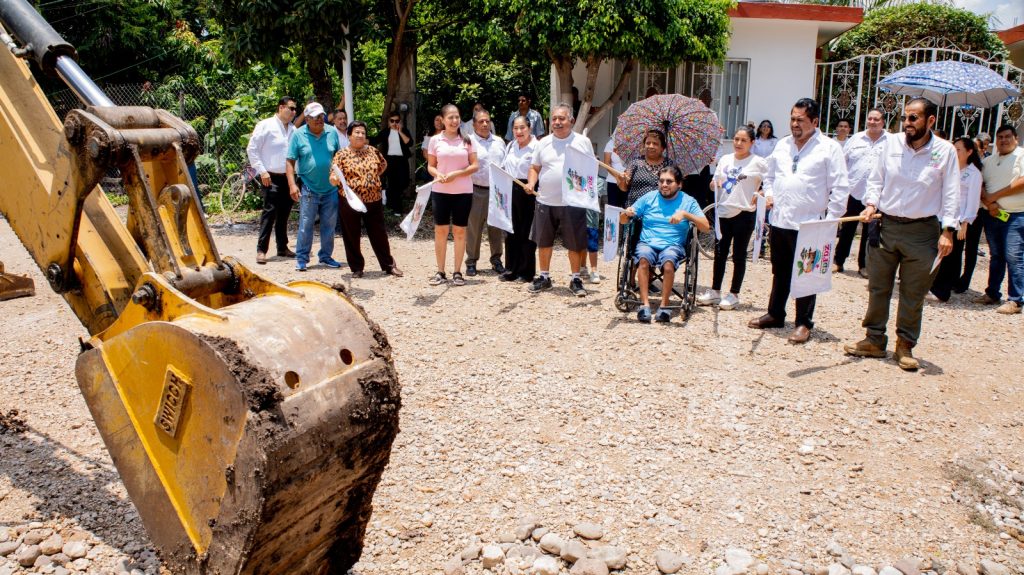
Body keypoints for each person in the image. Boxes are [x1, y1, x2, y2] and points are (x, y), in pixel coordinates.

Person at [844, 97, 960, 370]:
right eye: (905, 117)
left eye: (913, 118)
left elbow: (952, 192)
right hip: (886, 226)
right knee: (878, 286)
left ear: (930, 120)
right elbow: (876, 179)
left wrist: (948, 230)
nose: (907, 123)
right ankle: (874, 339)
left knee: (913, 291)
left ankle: (905, 345)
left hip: (923, 231)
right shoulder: (892, 144)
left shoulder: (945, 151)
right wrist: (871, 204)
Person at [748, 98, 849, 344]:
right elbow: (770, 176)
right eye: (792, 119)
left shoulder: (829, 148)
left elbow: (840, 187)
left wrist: (831, 221)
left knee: (806, 273)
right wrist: (769, 194)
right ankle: (775, 314)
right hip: (781, 220)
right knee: (780, 270)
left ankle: (803, 322)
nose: (794, 124)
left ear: (814, 121)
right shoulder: (782, 145)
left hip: (810, 224)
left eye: (800, 120)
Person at [621, 166, 709, 322]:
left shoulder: (688, 201)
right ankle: (644, 305)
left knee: (668, 264)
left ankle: (664, 305)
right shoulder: (649, 197)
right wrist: (626, 214)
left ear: (679, 184)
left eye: (669, 181)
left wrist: (685, 214)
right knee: (643, 259)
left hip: (673, 244)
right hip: (648, 242)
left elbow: (706, 227)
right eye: (661, 181)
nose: (664, 185)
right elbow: (623, 220)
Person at [524, 103, 594, 297]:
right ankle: (544, 277)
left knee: (575, 243)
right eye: (554, 118)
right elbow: (534, 168)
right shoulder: (543, 143)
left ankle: (576, 279)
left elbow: (591, 169)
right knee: (543, 241)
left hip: (573, 202)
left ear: (571, 120)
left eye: (561, 118)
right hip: (545, 200)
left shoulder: (582, 142)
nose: (557, 122)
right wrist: (531, 183)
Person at [697, 126, 767, 310]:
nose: (738, 143)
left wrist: (762, 192)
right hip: (723, 211)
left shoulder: (759, 162)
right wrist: (714, 183)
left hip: (745, 212)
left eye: (744, 140)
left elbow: (772, 181)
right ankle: (715, 291)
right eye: (736, 139)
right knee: (720, 253)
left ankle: (734, 293)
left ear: (752, 142)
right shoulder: (725, 159)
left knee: (739, 254)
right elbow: (713, 184)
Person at [330, 121, 403, 279]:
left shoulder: (373, 151)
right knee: (351, 234)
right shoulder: (341, 154)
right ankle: (357, 268)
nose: (360, 135)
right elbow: (333, 175)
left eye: (363, 133)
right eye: (357, 132)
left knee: (379, 234)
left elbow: (383, 165)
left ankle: (389, 265)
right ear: (349, 135)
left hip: (373, 200)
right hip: (350, 201)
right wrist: (335, 179)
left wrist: (371, 180)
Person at [286, 102, 344, 272]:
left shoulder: (332, 132)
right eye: (315, 117)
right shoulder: (298, 135)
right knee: (306, 224)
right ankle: (302, 258)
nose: (319, 119)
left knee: (329, 225)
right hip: (309, 187)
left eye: (321, 116)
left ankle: (325, 256)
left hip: (331, 189)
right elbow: (290, 161)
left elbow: (338, 157)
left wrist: (339, 179)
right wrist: (292, 185)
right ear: (307, 119)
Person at [427, 104, 479, 286]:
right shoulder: (435, 140)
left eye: (457, 117)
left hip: (463, 192)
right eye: (450, 117)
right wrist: (437, 174)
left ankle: (457, 272)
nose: (454, 120)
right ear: (442, 120)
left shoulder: (468, 139)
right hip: (440, 192)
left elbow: (475, 165)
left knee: (460, 231)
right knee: (440, 231)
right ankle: (440, 271)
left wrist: (456, 174)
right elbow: (431, 166)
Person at [974, 124, 1024, 314]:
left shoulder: (1021, 156)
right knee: (996, 256)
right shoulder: (989, 161)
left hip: (1016, 215)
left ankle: (1016, 300)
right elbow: (979, 182)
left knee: (1014, 256)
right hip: (992, 214)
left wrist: (994, 197)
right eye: (1000, 137)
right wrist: (990, 203)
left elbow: (1022, 182)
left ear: (1016, 138)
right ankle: (992, 293)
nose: (1003, 140)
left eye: (1007, 136)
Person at [834, 108, 889, 277]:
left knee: (870, 233)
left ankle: (864, 265)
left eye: (876, 119)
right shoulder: (856, 139)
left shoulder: (891, 141)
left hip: (877, 195)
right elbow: (842, 162)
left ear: (883, 122)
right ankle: (838, 261)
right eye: (870, 119)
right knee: (847, 229)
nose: (872, 122)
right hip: (853, 192)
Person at [928, 136, 982, 302]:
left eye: (958, 149)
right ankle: (931, 285)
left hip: (958, 221)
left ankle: (942, 291)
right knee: (935, 252)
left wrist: (965, 222)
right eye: (954, 148)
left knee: (950, 256)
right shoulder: (948, 168)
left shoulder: (973, 174)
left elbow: (973, 201)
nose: (955, 152)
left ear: (969, 152)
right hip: (940, 215)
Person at [246, 96, 297, 264]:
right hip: (270, 176)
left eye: (295, 109)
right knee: (270, 212)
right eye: (291, 108)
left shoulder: (293, 129)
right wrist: (262, 171)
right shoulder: (265, 125)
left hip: (288, 177)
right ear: (281, 107)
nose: (294, 112)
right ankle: (261, 250)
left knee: (285, 213)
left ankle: (282, 247)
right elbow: (252, 149)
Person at [464, 108, 507, 276]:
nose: (484, 124)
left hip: (496, 191)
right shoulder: (468, 142)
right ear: (474, 124)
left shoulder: (499, 142)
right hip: (475, 190)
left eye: (487, 121)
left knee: (496, 226)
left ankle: (496, 260)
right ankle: (471, 261)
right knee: (474, 227)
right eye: (481, 121)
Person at [499, 115, 539, 283]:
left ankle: (526, 271)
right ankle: (511, 269)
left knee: (526, 231)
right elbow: (503, 167)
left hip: (528, 190)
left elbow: (538, 169)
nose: (519, 131)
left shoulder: (536, 147)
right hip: (509, 189)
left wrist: (531, 184)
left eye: (522, 128)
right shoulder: (511, 146)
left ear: (530, 128)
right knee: (511, 231)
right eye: (515, 128)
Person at [615, 130, 673, 207]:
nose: (651, 146)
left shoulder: (669, 164)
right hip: (635, 210)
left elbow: (674, 189)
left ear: (662, 148)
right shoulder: (635, 162)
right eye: (648, 143)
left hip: (660, 210)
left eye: (655, 144)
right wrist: (622, 180)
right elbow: (623, 188)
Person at [373, 111, 413, 213]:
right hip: (390, 161)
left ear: (400, 121)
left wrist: (400, 131)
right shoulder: (385, 132)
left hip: (402, 160)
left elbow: (410, 143)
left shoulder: (404, 131)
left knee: (404, 182)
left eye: (397, 121)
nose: (394, 123)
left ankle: (388, 195)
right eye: (392, 121)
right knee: (393, 184)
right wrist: (362, 138)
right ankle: (397, 209)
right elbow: (375, 140)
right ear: (388, 121)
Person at [603, 136, 627, 207]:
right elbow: (606, 164)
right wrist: (617, 177)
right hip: (613, 181)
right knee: (613, 208)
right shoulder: (610, 143)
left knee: (627, 208)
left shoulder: (633, 143)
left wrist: (625, 177)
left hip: (627, 181)